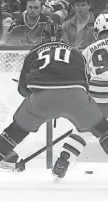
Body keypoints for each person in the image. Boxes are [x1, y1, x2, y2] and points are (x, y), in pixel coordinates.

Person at [0, 21, 108, 184]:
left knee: (14, 132)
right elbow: (85, 84)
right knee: (102, 130)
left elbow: (22, 89)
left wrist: (38, 100)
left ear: (42, 37)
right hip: (76, 97)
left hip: (41, 99)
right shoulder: (76, 52)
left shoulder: (34, 52)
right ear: (62, 37)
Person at [50, 13, 108, 179]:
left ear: (97, 32)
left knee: (84, 130)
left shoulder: (89, 50)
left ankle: (65, 158)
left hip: (96, 94)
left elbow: (80, 76)